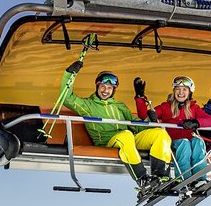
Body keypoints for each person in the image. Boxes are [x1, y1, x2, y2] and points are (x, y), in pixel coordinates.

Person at [57, 60, 174, 189]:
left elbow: (136, 125)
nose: (105, 91)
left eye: (109, 88)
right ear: (97, 86)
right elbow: (66, 98)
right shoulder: (88, 106)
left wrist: (150, 121)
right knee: (126, 135)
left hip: (129, 139)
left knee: (160, 133)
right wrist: (69, 74)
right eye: (103, 87)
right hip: (109, 141)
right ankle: (142, 179)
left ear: (113, 90)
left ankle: (160, 176)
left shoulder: (120, 106)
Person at [135, 75, 211, 180]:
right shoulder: (166, 107)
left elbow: (210, 120)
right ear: (174, 91)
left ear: (190, 92)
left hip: (189, 140)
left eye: (184, 89)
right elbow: (143, 116)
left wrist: (196, 123)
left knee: (198, 142)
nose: (181, 92)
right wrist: (140, 98)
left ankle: (200, 178)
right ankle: (184, 178)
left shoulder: (194, 108)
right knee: (184, 144)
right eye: (177, 89)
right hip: (173, 141)